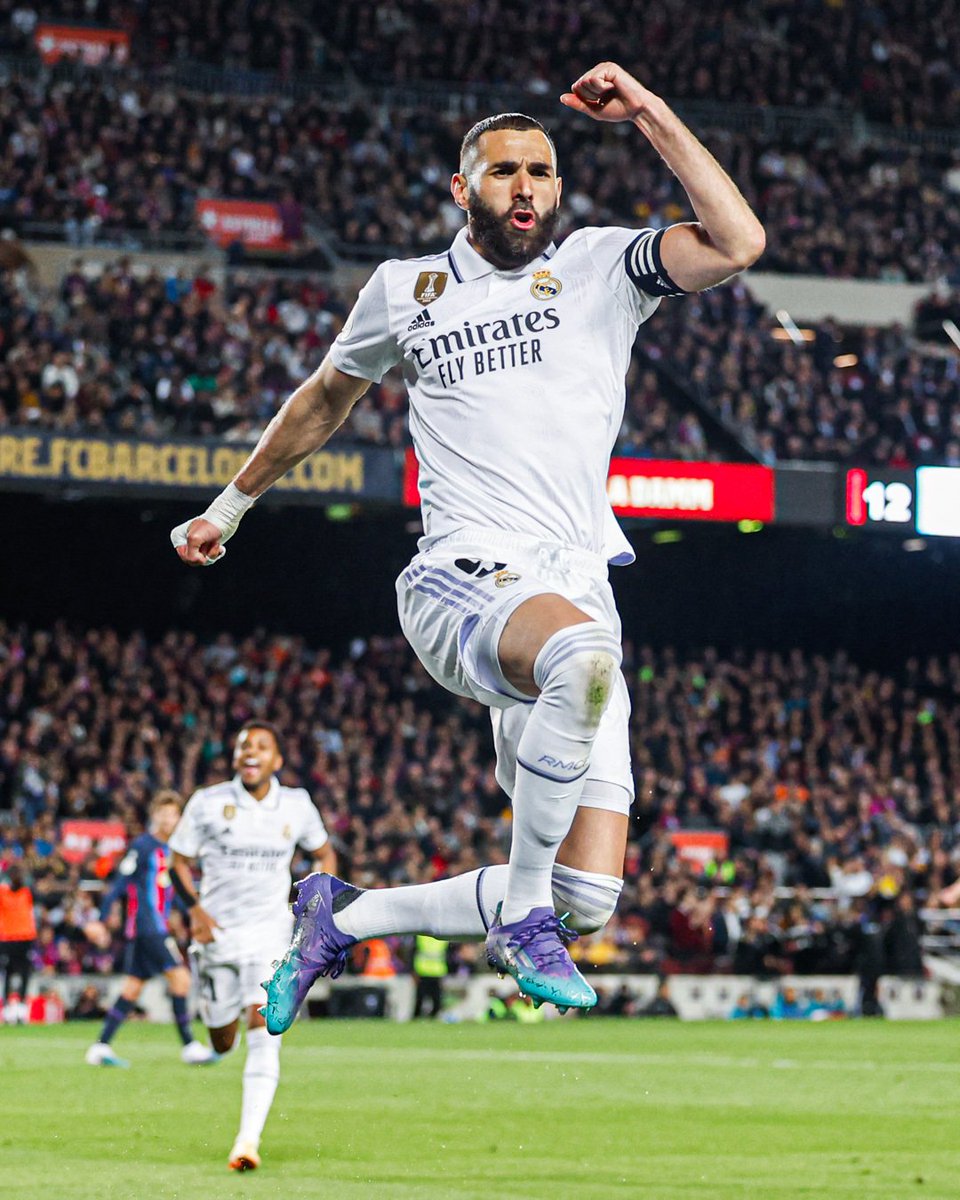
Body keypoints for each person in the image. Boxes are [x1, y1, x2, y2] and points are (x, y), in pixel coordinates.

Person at [171, 62, 764, 1021]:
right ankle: (518, 916)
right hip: (460, 571)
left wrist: (650, 109)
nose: (524, 186)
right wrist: (228, 507)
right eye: (502, 171)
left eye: (541, 171)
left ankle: (342, 917)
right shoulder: (406, 289)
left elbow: (739, 241)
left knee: (591, 900)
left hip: (573, 584)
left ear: (559, 189)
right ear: (462, 187)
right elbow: (325, 398)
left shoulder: (601, 268)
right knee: (581, 659)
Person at [168, 720, 335, 1172]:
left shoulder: (297, 805)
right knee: (223, 1038)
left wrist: (316, 906)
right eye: (243, 746)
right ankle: (222, 1035)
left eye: (261, 746)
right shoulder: (208, 803)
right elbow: (177, 862)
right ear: (235, 758)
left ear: (277, 760)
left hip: (271, 937)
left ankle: (246, 1142)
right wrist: (196, 911)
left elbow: (324, 854)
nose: (250, 752)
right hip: (218, 939)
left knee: (266, 1031)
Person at [84, 790, 217, 1068]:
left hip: (149, 930)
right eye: (164, 813)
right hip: (149, 928)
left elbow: (174, 894)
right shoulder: (143, 846)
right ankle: (190, 1046)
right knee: (181, 980)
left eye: (174, 814)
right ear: (155, 816)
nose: (170, 819)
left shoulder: (173, 851)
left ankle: (100, 1047)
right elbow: (120, 883)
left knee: (132, 989)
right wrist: (100, 917)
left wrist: (197, 912)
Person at [0, 864, 37, 1005]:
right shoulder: (3, 893)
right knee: (8, 971)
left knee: (25, 971)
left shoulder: (27, 892)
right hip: (8, 937)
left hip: (25, 937)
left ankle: (22, 1003)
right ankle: (7, 1004)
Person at [412, 934, 449, 1018]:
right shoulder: (421, 936)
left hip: (437, 973)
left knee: (437, 1002)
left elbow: (447, 956)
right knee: (419, 1000)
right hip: (422, 972)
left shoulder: (442, 937)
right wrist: (413, 971)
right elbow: (413, 952)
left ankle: (431, 1018)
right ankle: (417, 1018)